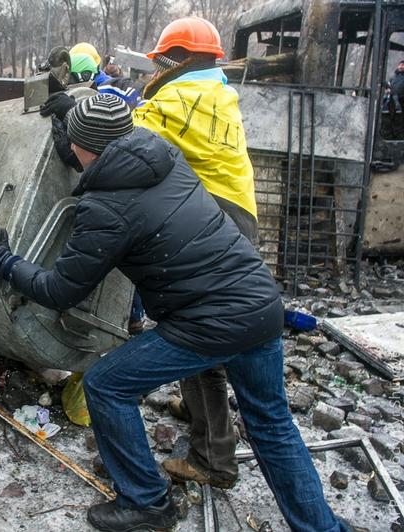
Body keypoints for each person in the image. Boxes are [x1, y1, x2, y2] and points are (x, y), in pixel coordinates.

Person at [0, 93, 346, 532]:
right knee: (272, 423)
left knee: (106, 385)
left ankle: (147, 503)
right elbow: (109, 167)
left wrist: (4, 262)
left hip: (207, 322)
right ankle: (322, 528)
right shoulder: (162, 157)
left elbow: (60, 290)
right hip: (260, 304)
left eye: (75, 145)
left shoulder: (106, 210)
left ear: (84, 148)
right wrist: (74, 123)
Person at [131, 16, 260, 489]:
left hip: (215, 221)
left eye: (164, 59)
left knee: (195, 335)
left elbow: (126, 134)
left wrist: (83, 108)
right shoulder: (217, 93)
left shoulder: (183, 97)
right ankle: (197, 410)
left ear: (181, 59)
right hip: (235, 217)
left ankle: (212, 460)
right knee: (206, 334)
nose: (158, 67)